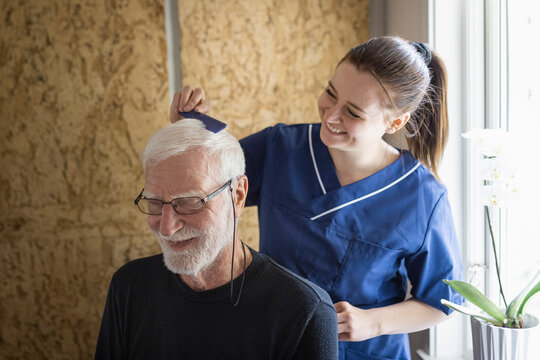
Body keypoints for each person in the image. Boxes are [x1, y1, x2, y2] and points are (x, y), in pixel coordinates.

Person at [170, 36, 464, 360]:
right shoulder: (279, 148)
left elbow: (443, 302)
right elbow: (206, 188)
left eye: (352, 112)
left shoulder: (422, 197)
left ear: (395, 122)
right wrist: (188, 132)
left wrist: (373, 323)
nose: (331, 116)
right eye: (330, 93)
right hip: (276, 342)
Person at [94, 119, 339, 359]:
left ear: (238, 196)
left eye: (190, 202)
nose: (167, 228)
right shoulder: (130, 287)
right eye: (155, 203)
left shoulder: (304, 311)